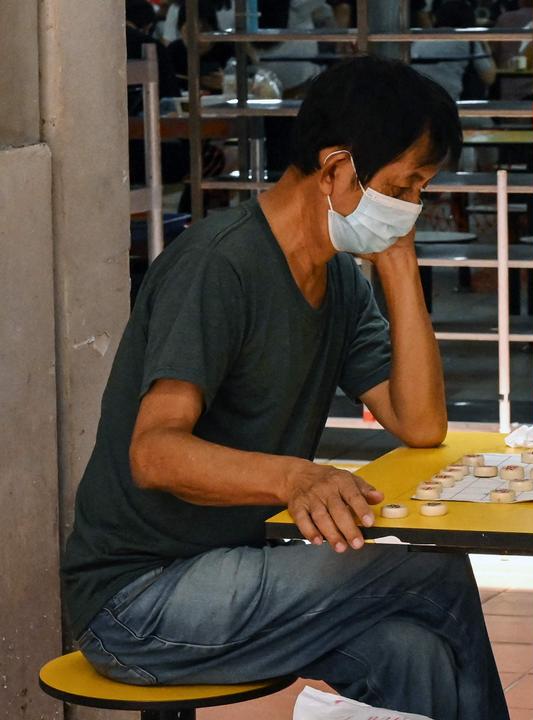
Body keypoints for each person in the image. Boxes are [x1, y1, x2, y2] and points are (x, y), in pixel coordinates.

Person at [61, 57, 507, 720]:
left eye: (420, 191)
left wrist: (398, 258)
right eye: (404, 188)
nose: (412, 207)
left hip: (236, 571)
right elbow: (154, 453)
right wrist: (295, 479)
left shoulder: (342, 284)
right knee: (434, 574)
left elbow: (420, 423)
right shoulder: (220, 265)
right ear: (336, 170)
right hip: (139, 600)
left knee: (409, 652)